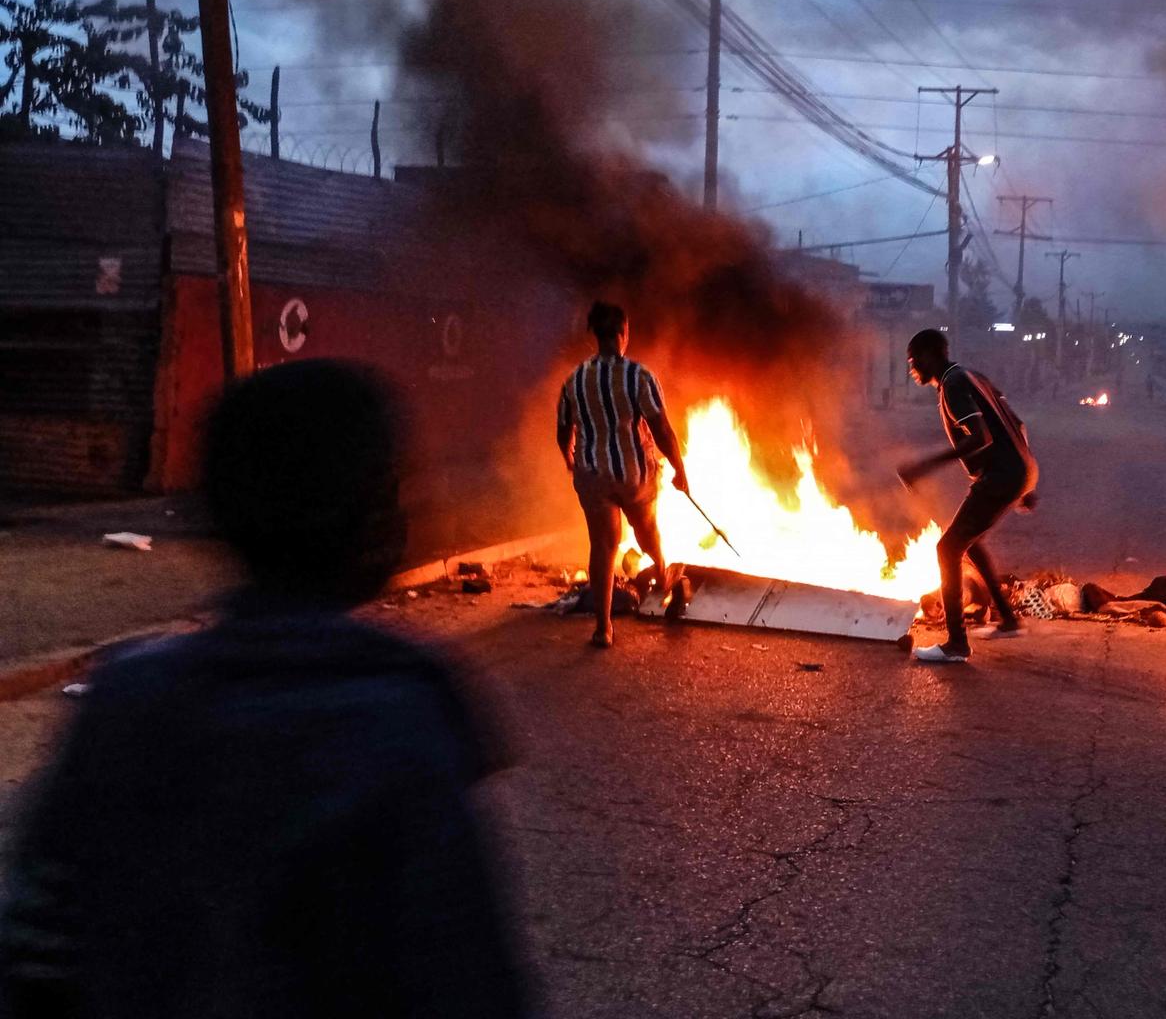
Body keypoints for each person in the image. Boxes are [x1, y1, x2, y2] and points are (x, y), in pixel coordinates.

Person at [0, 360, 530, 1019]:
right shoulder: (401, 731)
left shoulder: (122, 700)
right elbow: (466, 987)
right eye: (395, 489)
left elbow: (35, 960)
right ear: (370, 524)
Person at [896, 329, 1039, 663]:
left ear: (931, 355)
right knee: (969, 542)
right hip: (1017, 470)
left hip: (1002, 475)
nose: (912, 368)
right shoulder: (972, 376)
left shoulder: (953, 385)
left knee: (947, 548)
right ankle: (1008, 619)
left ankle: (956, 644)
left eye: (914, 360)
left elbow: (980, 438)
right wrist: (1026, 477)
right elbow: (1018, 425)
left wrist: (924, 465)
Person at [557, 300, 689, 648]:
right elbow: (661, 428)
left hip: (592, 474)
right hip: (635, 475)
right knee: (647, 535)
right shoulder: (638, 376)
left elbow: (562, 430)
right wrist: (679, 469)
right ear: (623, 332)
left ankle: (603, 629)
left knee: (603, 546)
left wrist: (571, 459)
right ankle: (666, 580)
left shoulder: (574, 380)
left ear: (595, 336)